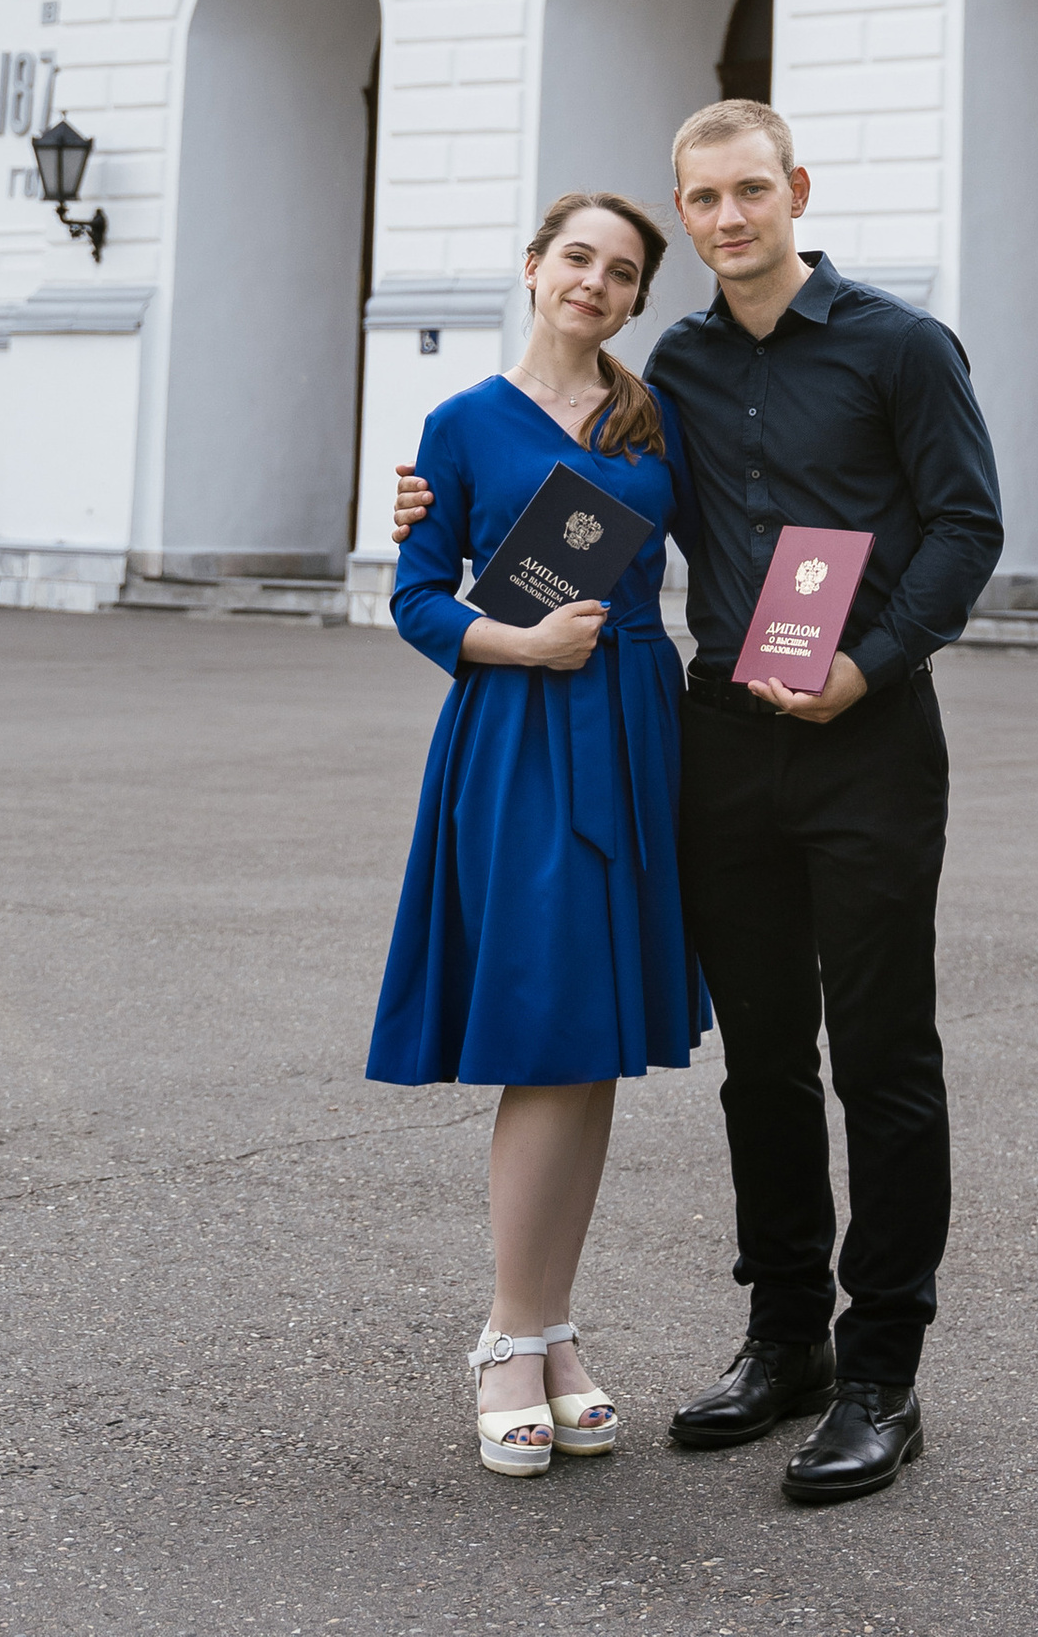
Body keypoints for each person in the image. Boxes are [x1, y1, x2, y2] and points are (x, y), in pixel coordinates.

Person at [397, 98, 1002, 1506]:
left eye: (748, 192)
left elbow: (968, 525)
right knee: (766, 1061)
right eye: (705, 200)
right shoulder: (664, 370)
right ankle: (783, 1337)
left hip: (866, 738)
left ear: (793, 189)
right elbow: (555, 501)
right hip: (716, 743)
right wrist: (428, 508)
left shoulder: (901, 347)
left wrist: (869, 664)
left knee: (884, 1056)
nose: (729, 219)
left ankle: (880, 1373)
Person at [369, 190, 706, 1481]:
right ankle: (506, 1339)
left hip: (634, 733)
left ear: (634, 297)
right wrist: (512, 639)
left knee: (597, 1042)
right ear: (532, 267)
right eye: (579, 258)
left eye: (622, 272)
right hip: (516, 731)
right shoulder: (460, 427)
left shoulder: (648, 416)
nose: (597, 283)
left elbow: (725, 536)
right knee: (542, 1023)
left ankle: (554, 1326)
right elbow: (413, 595)